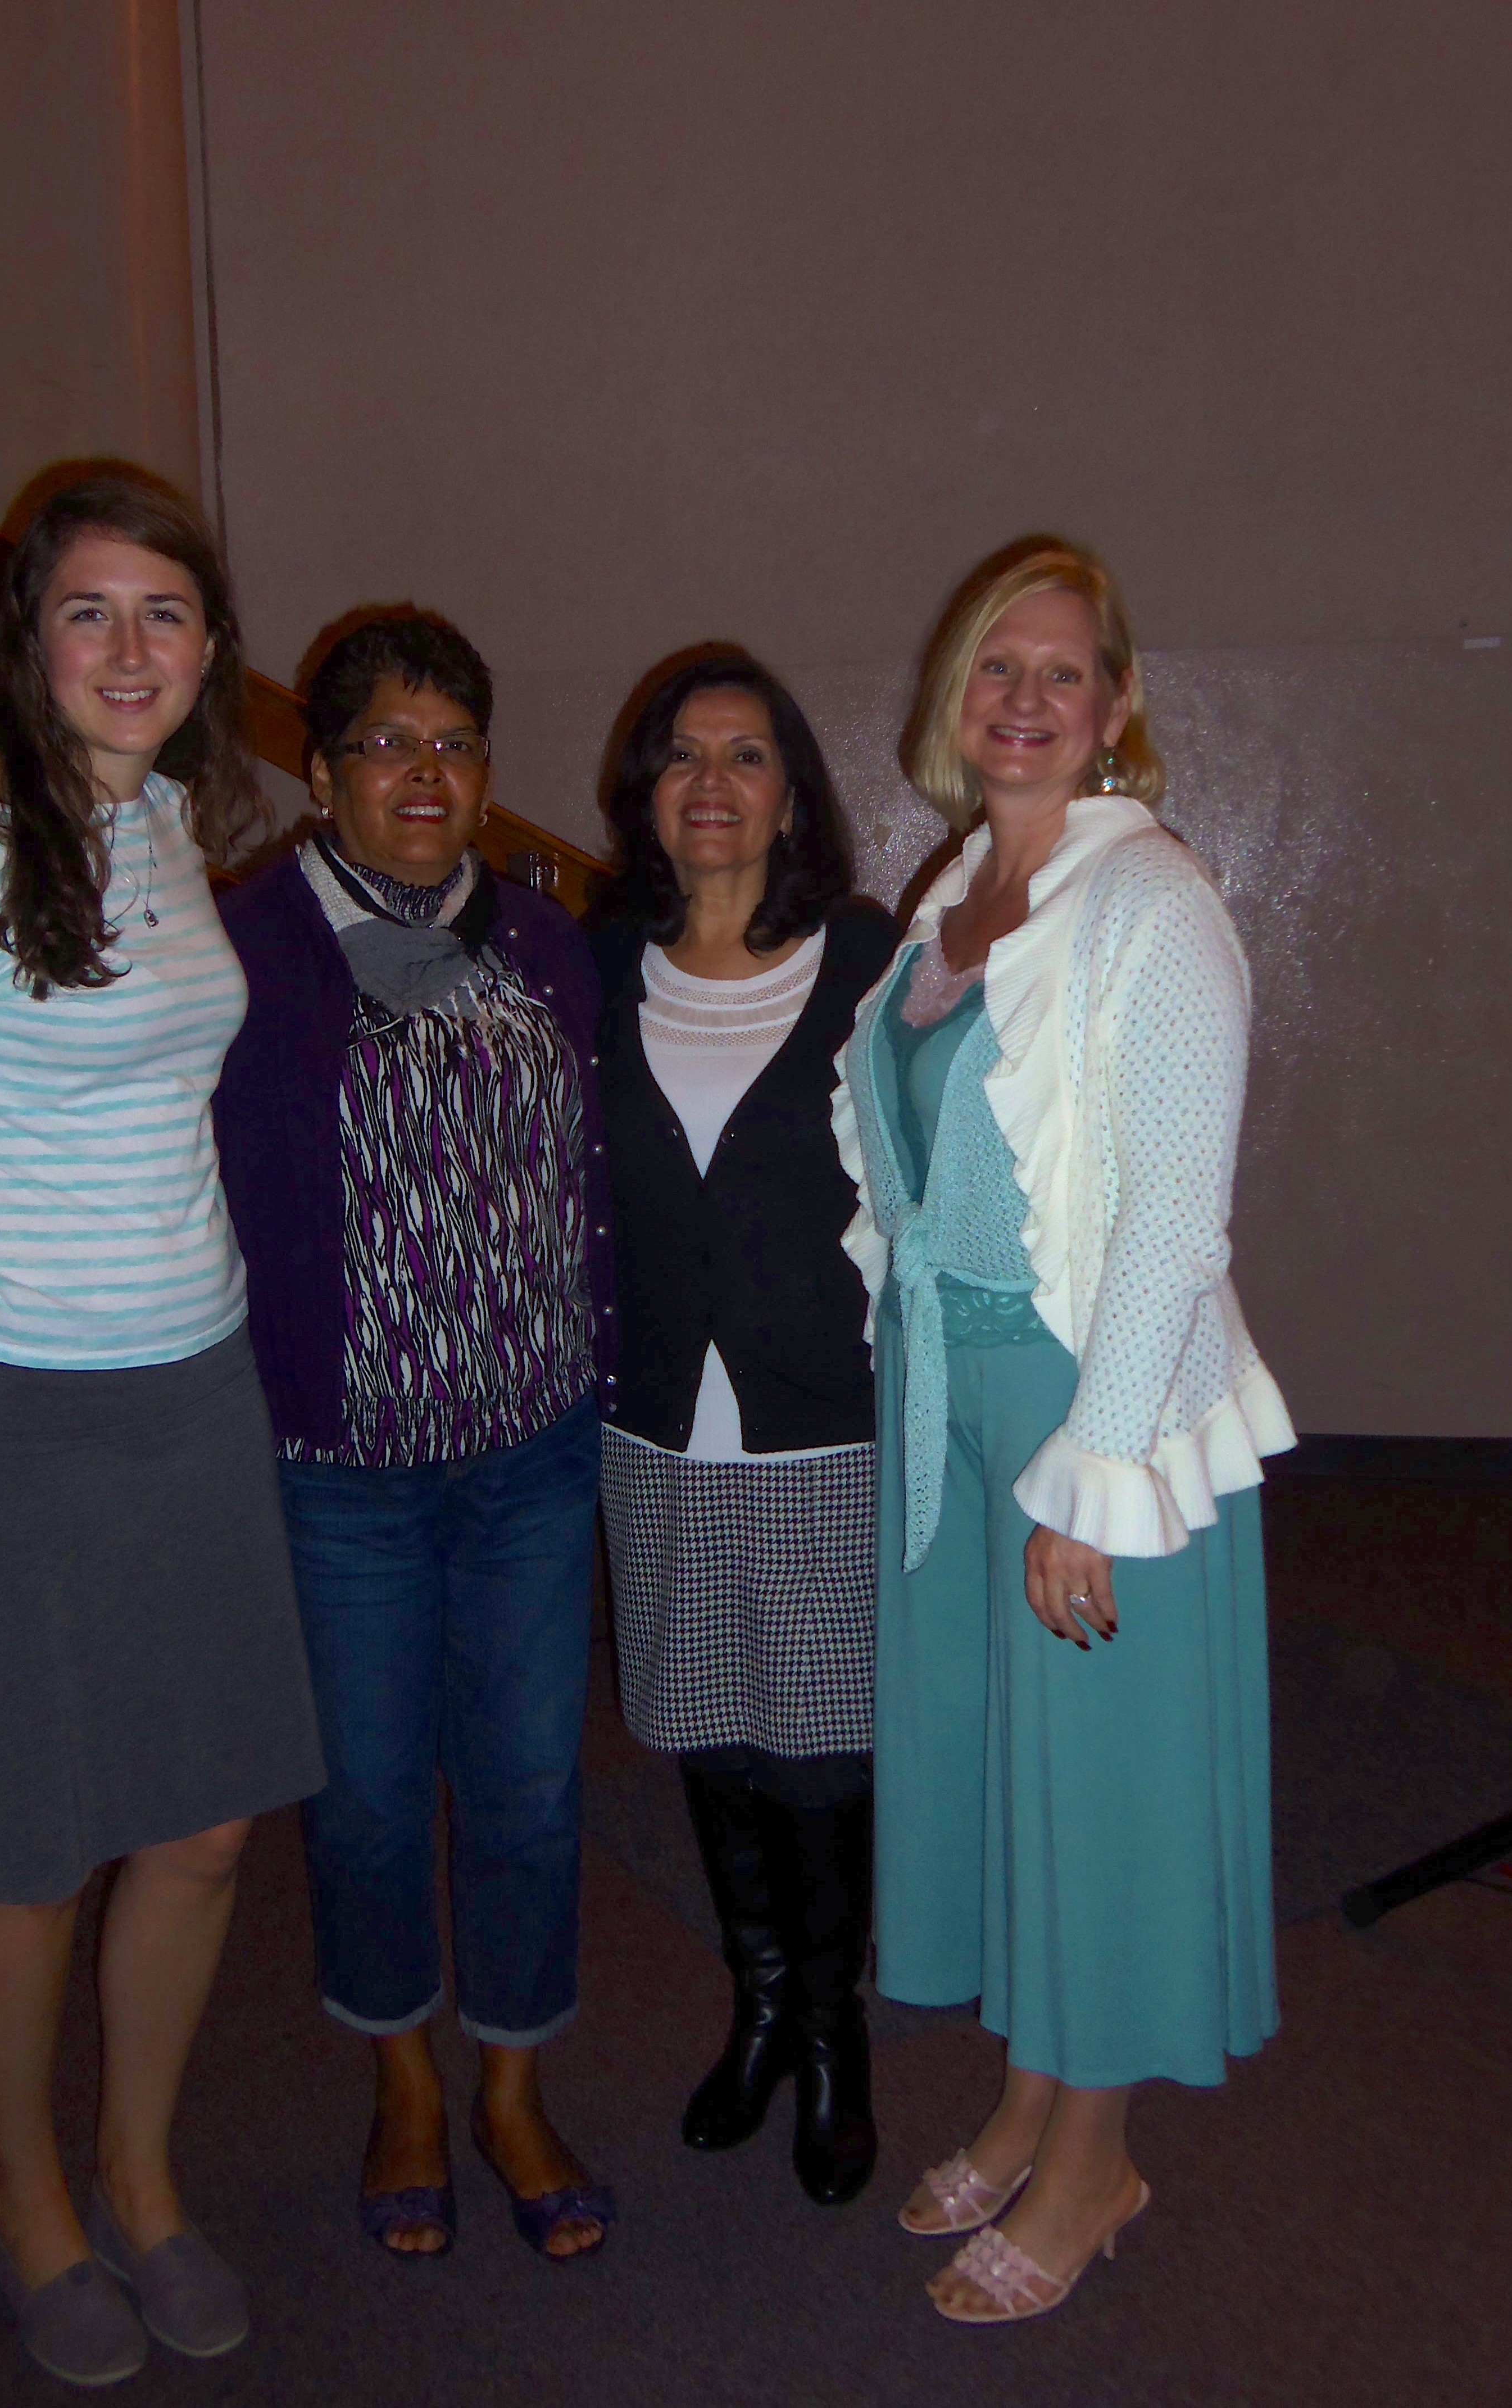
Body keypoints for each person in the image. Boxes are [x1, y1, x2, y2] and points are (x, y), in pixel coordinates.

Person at [0, 473, 324, 2388]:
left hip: (192, 1396)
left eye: (167, 615)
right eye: (91, 614)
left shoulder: (183, 824)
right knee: (30, 1848)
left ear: (211, 650)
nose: (132, 652)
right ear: (29, 645)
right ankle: (30, 2202)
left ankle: (141, 2173)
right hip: (5, 1415)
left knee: (198, 1830)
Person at [833, 536, 1293, 2323]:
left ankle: (1099, 2166)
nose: (1025, 700)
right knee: (998, 1761)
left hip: (1096, 1405)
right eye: (994, 670)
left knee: (1092, 1791)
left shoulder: (1153, 902)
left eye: (1063, 672)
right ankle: (1033, 2100)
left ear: (1115, 711)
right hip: (949, 1390)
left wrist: (1093, 1477)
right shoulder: (952, 899)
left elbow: (1179, 1223)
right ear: (956, 701)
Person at [211, 610, 616, 2262]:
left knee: (526, 1790)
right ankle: (402, 2081)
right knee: (372, 1799)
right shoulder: (238, 945)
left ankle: (514, 2087)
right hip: (341, 1471)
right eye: (386, 741)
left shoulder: (545, 942)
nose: (425, 772)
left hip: (530, 1450)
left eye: (454, 740)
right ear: (320, 771)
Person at [589, 654, 897, 2206]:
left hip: (819, 1430)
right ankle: (763, 2005)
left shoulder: (867, 961)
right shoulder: (596, 959)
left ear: (793, 792)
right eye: (683, 758)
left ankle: (836, 2035)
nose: (715, 784)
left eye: (750, 756)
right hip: (653, 1433)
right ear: (645, 791)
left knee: (823, 1754)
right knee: (711, 1730)